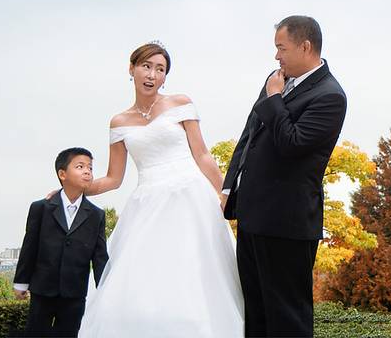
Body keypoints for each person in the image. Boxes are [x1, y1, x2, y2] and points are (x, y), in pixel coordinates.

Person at [77, 42, 243, 337]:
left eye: (160, 69)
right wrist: (75, 189)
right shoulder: (119, 122)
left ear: (165, 76)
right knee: (142, 282)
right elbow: (113, 178)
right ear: (132, 69)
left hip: (191, 198)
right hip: (147, 203)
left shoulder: (180, 104)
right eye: (146, 66)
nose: (152, 74)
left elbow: (203, 155)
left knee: (193, 275)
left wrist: (228, 196)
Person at [222, 15, 347, 338]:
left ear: (306, 47)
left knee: (287, 317)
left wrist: (275, 98)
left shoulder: (330, 96)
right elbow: (250, 135)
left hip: (287, 224)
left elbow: (292, 144)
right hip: (252, 218)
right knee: (256, 313)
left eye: (282, 48)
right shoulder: (275, 79)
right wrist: (228, 187)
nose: (276, 56)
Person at [13, 148, 109, 337]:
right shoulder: (41, 208)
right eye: (80, 166)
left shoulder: (97, 215)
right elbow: (29, 246)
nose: (87, 171)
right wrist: (21, 282)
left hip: (75, 292)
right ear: (62, 174)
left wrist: (104, 288)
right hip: (42, 290)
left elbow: (99, 257)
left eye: (90, 167)